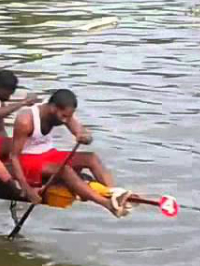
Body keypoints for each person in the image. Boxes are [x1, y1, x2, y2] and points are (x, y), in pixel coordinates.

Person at [10, 89, 129, 217]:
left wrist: (84, 137)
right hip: (28, 160)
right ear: (53, 108)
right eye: (64, 116)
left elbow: (81, 132)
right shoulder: (26, 120)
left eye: (69, 117)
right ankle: (107, 204)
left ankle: (112, 194)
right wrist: (26, 188)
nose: (66, 121)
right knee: (64, 170)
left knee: (91, 158)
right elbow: (13, 157)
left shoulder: (62, 112)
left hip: (49, 153)